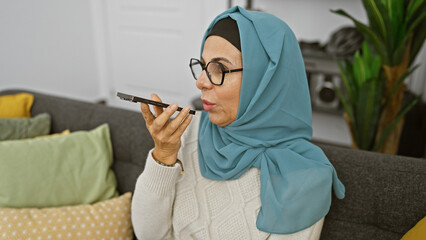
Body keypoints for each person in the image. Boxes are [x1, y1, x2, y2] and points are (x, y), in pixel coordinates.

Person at [131, 6, 345, 240]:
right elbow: (147, 236)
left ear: (265, 80)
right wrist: (162, 156)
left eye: (219, 68)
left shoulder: (304, 177)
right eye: (203, 66)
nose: (201, 82)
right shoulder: (185, 131)